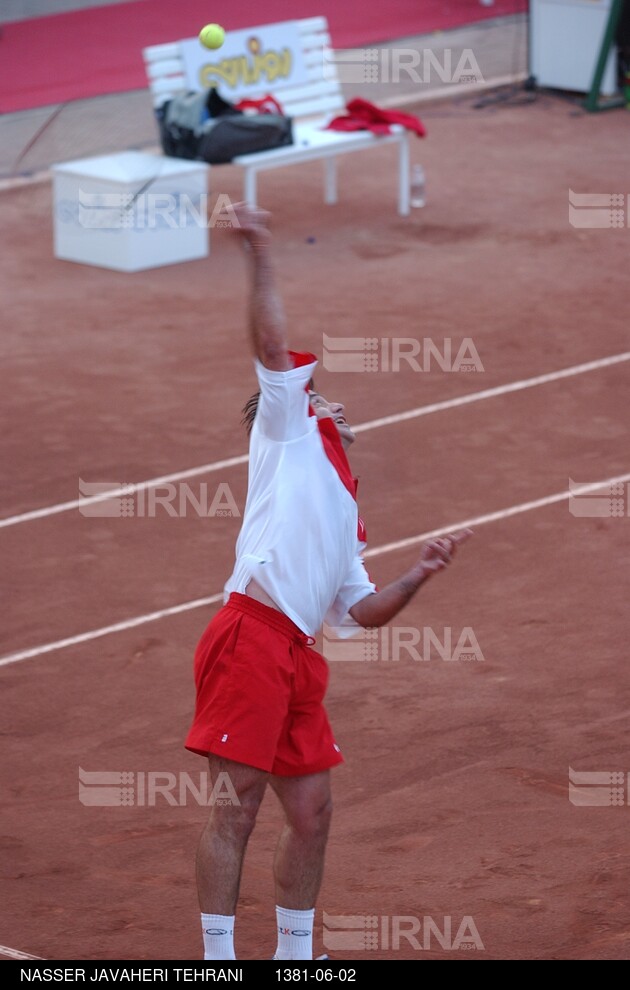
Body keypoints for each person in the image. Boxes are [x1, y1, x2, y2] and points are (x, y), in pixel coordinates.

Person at [184, 203, 472, 961]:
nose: (340, 405)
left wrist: (418, 573)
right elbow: (272, 343)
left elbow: (363, 612)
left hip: (298, 656)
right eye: (324, 397)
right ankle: (216, 960)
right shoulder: (287, 430)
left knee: (311, 813)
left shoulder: (346, 513)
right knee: (236, 810)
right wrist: (261, 250)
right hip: (249, 634)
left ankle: (294, 957)